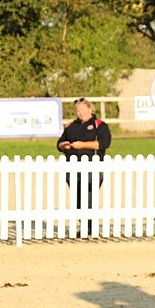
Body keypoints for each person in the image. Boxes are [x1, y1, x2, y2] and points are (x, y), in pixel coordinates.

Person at [57, 97, 112, 234]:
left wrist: (82, 145)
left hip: (92, 166)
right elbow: (59, 144)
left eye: (82, 109)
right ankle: (84, 227)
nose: (80, 113)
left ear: (90, 109)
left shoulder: (100, 125)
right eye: (77, 110)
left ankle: (91, 227)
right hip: (73, 167)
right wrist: (64, 145)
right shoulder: (71, 126)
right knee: (77, 198)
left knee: (89, 196)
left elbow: (103, 144)